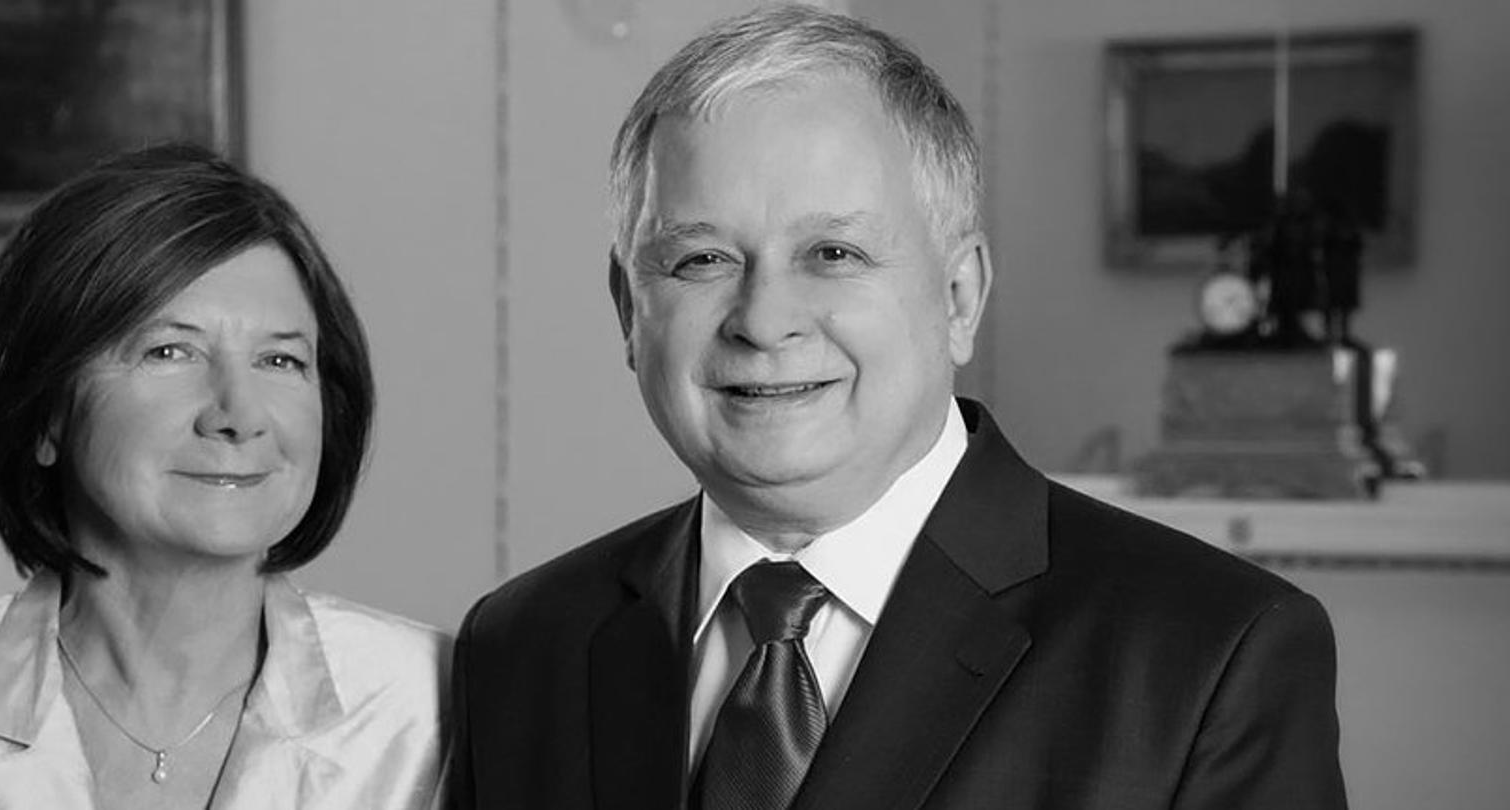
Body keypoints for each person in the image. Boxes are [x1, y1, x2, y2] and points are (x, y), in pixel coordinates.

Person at [448, 7, 1346, 809]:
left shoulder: (1209, 655)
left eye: (833, 253)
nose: (764, 321)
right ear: (627, 311)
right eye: (700, 260)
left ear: (959, 296)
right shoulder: (524, 645)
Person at [0, 143, 447, 809]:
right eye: (170, 351)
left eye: (280, 362)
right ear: (45, 414)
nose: (239, 415)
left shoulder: (433, 706)